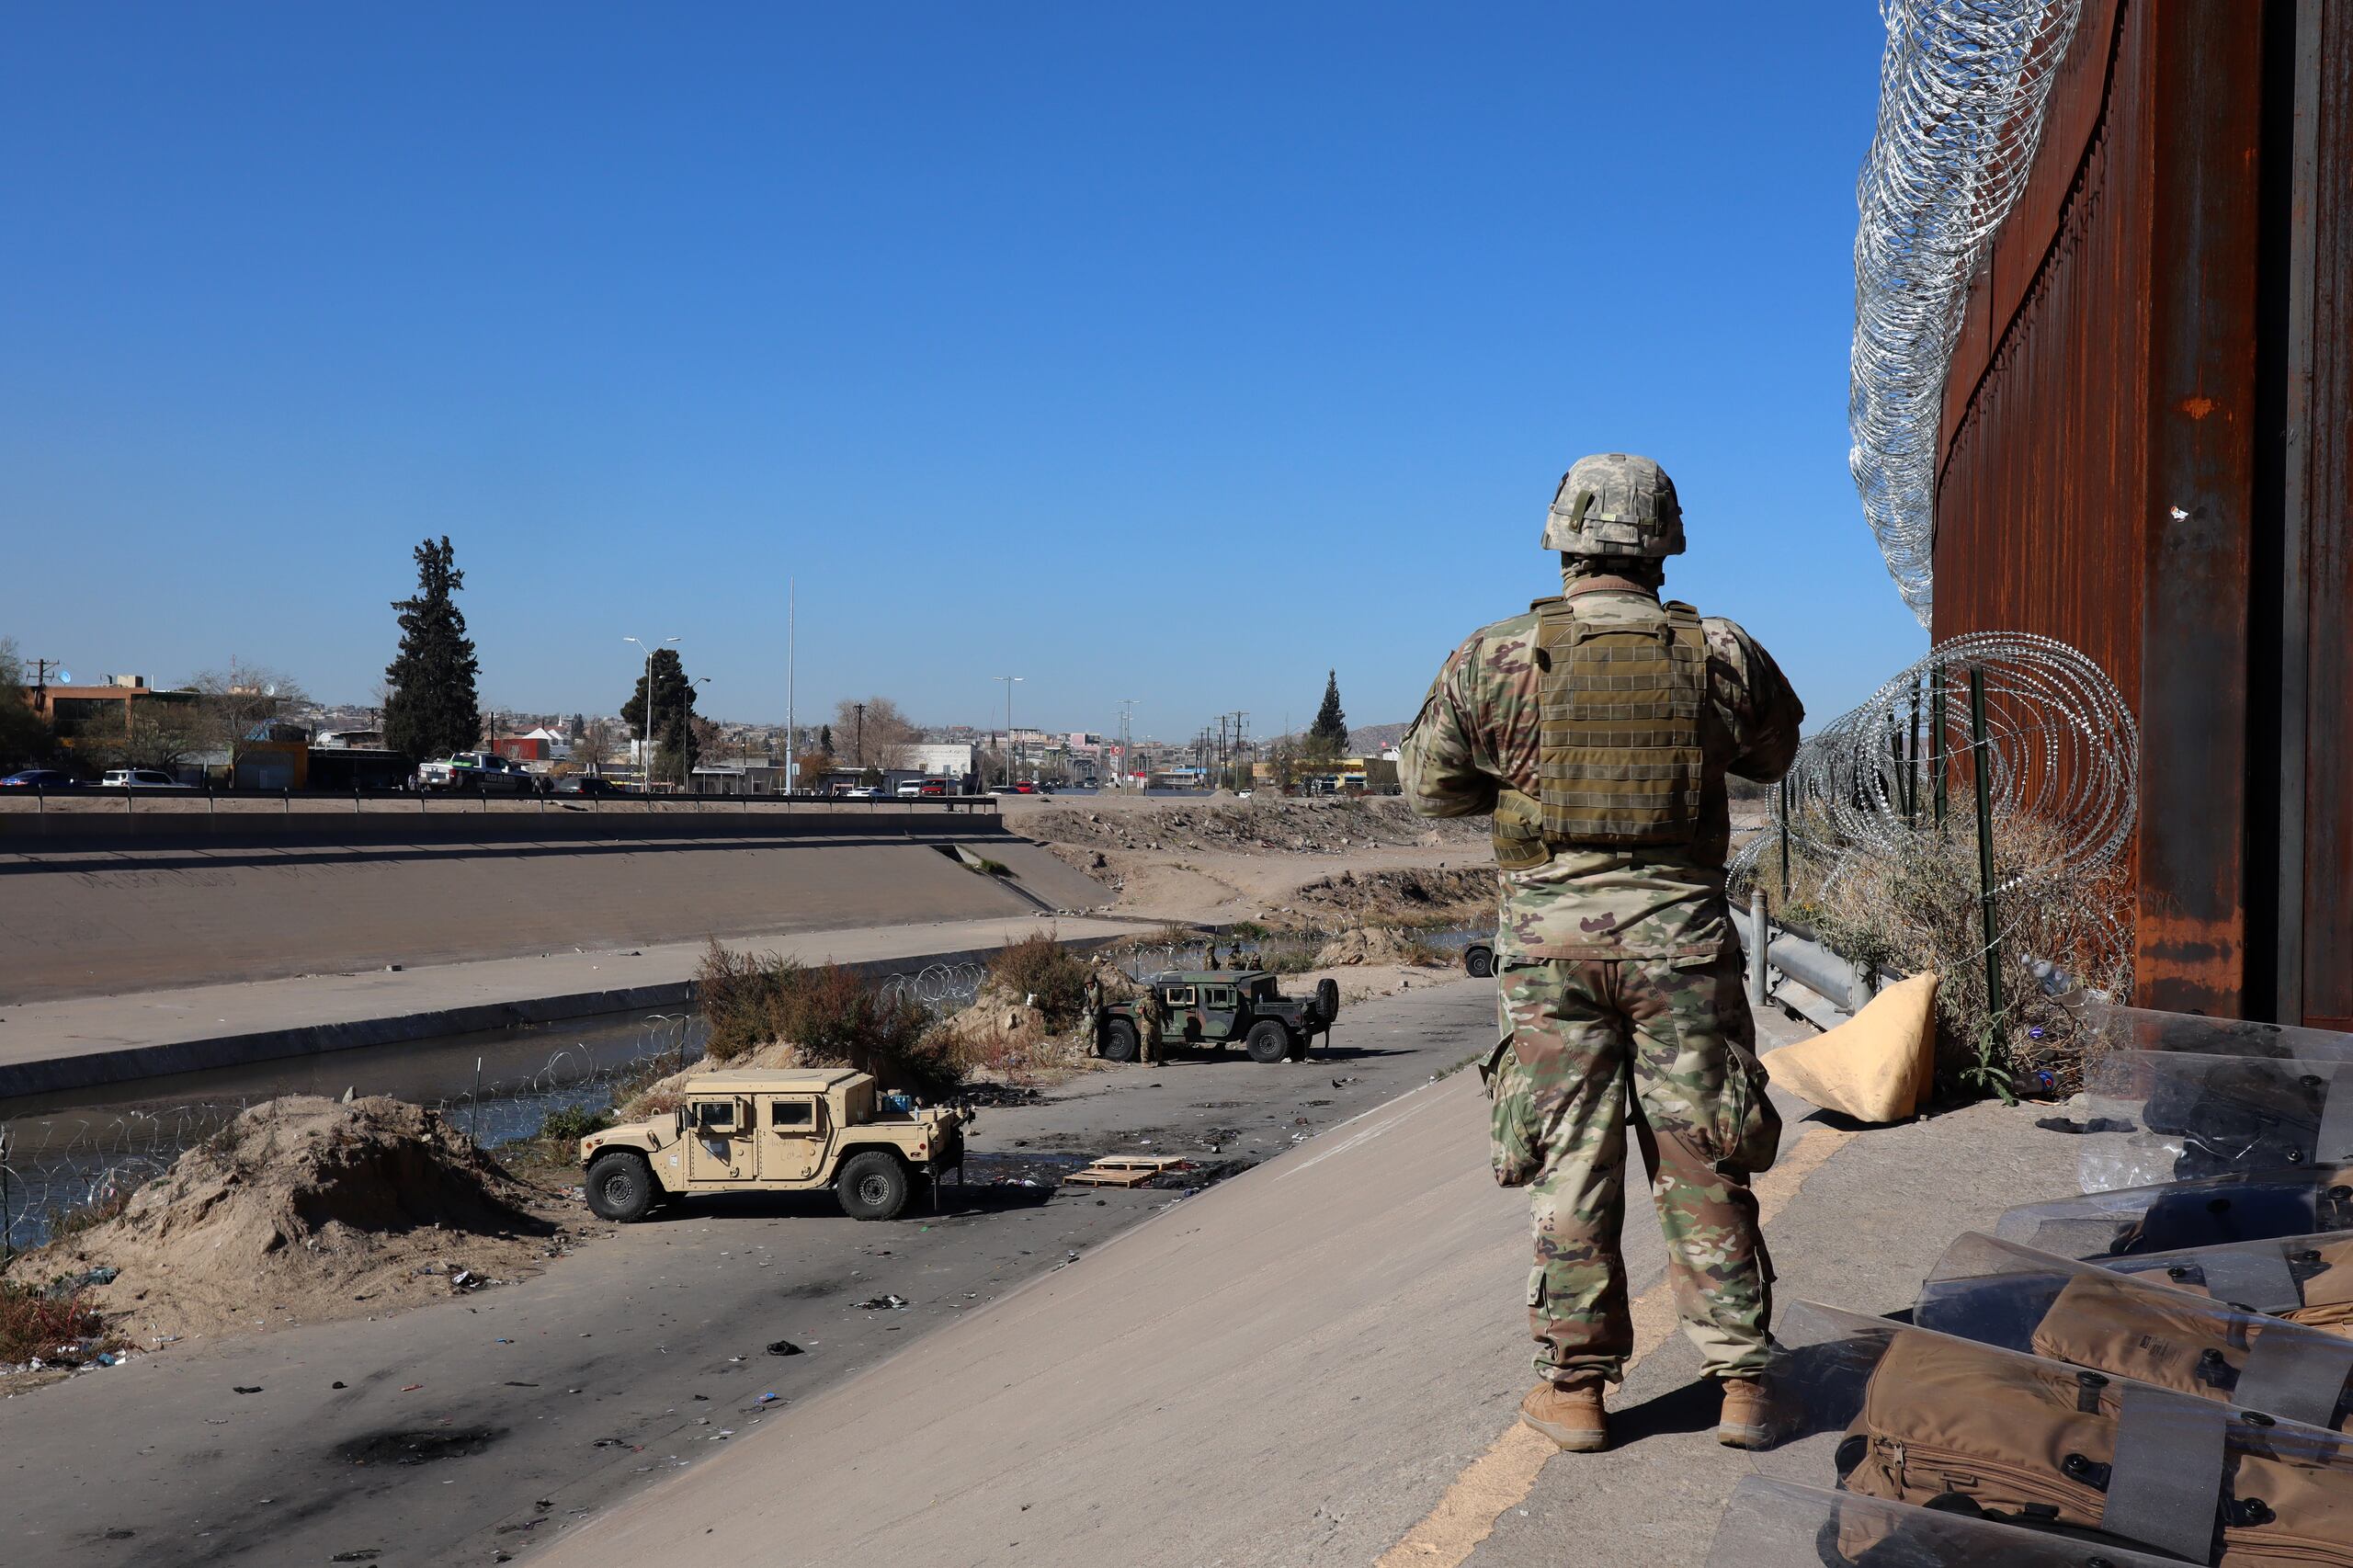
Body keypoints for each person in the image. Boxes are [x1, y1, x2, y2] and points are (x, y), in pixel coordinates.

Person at [1400, 452, 1803, 1455]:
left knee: (1569, 1165)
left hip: (1549, 950)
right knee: (1704, 1153)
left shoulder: (1493, 653)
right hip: (1681, 942)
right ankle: (1743, 1382)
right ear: (1664, 536)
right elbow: (1773, 753)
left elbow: (1429, 788)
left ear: (1565, 533)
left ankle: (1575, 1391)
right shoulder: (1720, 649)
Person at [1135, 983, 1166, 1066]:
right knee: (1145, 1044)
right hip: (1147, 1026)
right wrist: (1140, 1011)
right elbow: (1138, 1011)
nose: (1150, 993)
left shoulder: (1157, 1001)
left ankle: (1159, 1060)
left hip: (1157, 1025)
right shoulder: (1143, 1001)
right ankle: (1144, 1062)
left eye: (1152, 991)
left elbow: (1162, 1013)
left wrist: (1166, 1023)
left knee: (1158, 1044)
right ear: (1145, 992)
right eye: (1148, 991)